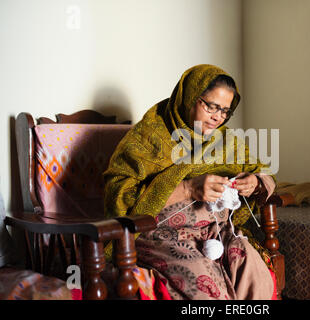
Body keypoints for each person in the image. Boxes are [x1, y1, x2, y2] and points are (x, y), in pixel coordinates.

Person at [103, 64, 276, 300]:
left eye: (225, 111)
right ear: (190, 96)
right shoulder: (149, 137)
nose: (218, 117)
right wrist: (188, 188)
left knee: (250, 264)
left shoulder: (225, 141)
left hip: (216, 231)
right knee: (202, 283)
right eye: (211, 106)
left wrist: (255, 182)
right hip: (161, 235)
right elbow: (120, 198)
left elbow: (264, 174)